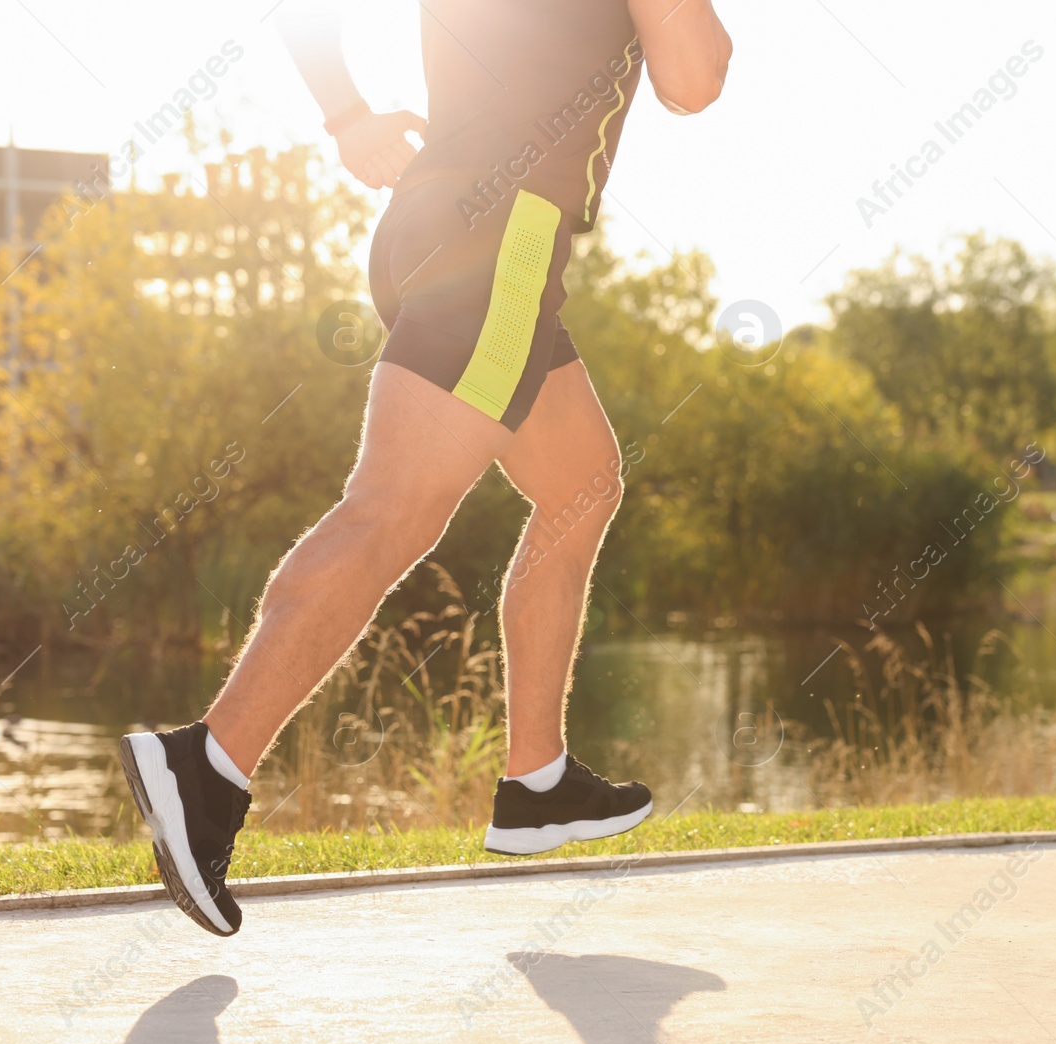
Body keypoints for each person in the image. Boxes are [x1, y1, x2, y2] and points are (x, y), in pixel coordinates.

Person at [118, 0, 732, 937]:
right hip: (507, 238)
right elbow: (694, 78)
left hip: (432, 223)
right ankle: (207, 765)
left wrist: (346, 116)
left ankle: (537, 781)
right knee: (392, 512)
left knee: (582, 482)